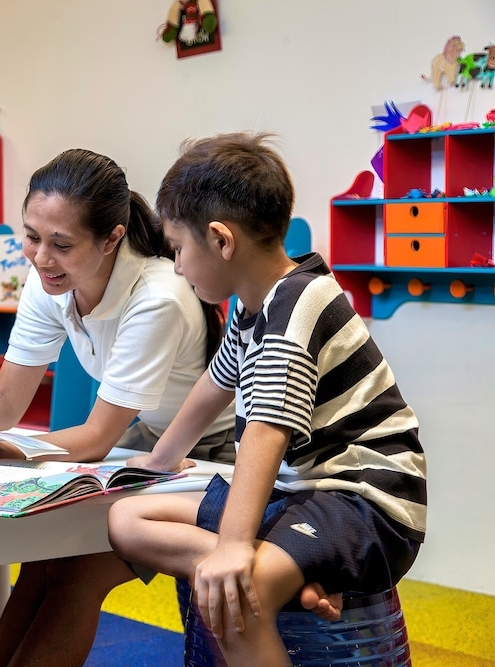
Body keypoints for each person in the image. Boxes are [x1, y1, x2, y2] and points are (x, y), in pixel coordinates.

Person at [0, 148, 236, 667]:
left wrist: (4, 451)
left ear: (112, 238)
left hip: (211, 454)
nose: (40, 258)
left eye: (61, 244)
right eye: (31, 236)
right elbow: (3, 402)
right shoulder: (50, 279)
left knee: (77, 569)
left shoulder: (158, 297)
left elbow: (96, 437)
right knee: (43, 555)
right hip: (148, 440)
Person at [108, 132, 427, 666]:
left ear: (221, 240)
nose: (178, 266)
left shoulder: (297, 304)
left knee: (239, 594)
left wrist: (235, 546)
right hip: (301, 496)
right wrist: (160, 460)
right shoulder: (250, 306)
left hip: (367, 502)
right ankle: (299, 575)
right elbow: (215, 385)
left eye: (179, 249)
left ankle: (275, 569)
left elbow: (268, 427)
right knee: (126, 521)